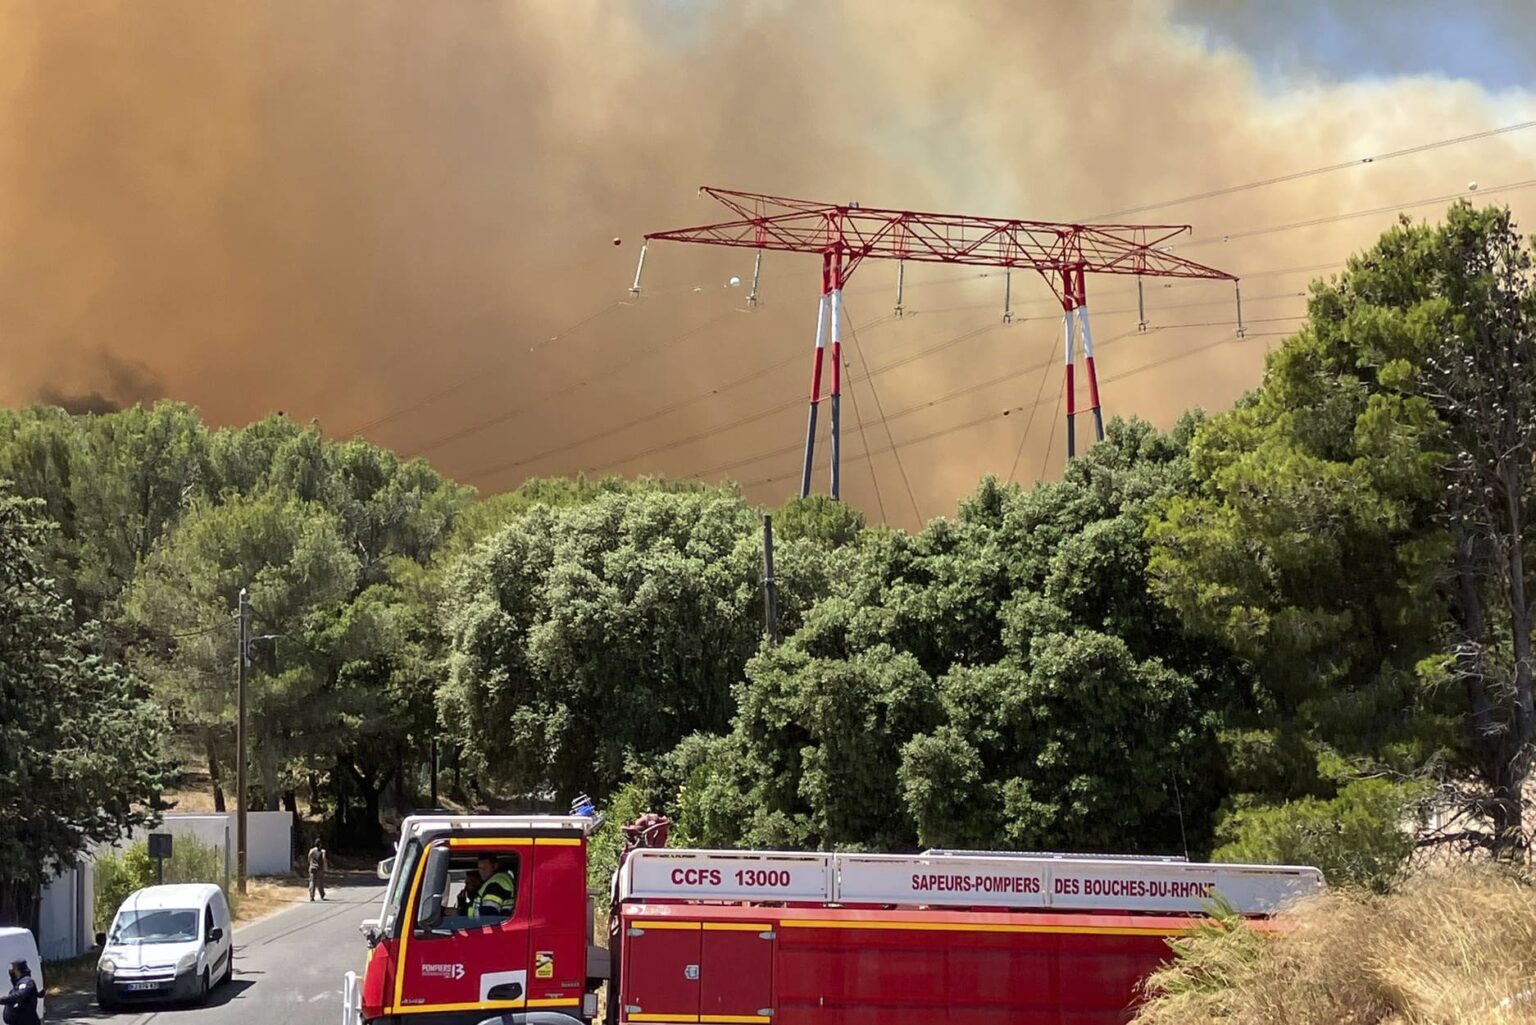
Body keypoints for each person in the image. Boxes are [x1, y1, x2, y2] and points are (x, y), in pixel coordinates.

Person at [1, 960, 39, 1025]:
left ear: (18, 970)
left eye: (13, 969)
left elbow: (19, 995)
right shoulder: (20, 982)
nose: (11, 971)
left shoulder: (27, 981)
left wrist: (3, 1000)